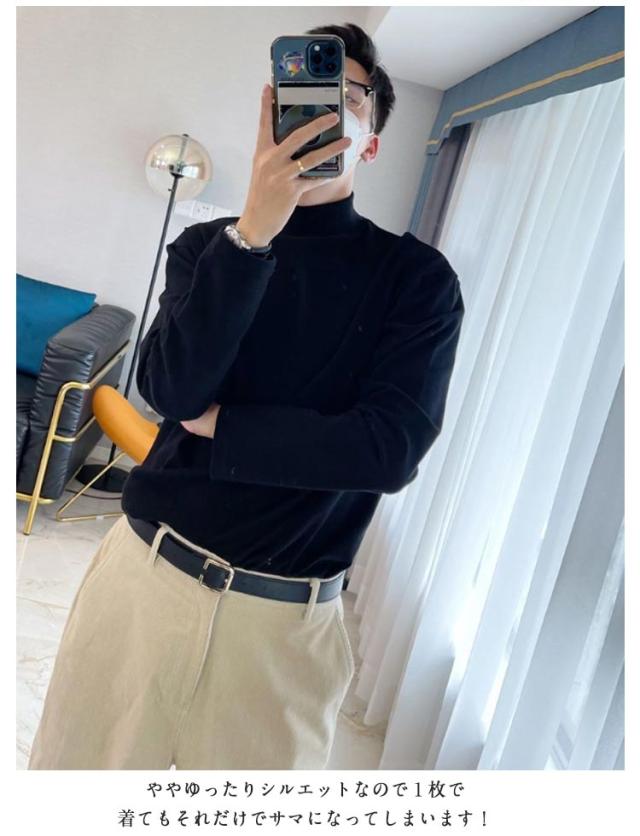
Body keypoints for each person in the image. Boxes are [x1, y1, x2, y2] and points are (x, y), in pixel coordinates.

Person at [28, 22, 464, 770]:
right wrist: (254, 233)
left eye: (350, 96)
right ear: (270, 113)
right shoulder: (207, 249)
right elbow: (170, 390)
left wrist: (222, 425)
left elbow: (387, 450)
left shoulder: (416, 281)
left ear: (370, 143)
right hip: (143, 583)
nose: (326, 106)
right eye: (304, 90)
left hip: (282, 628)